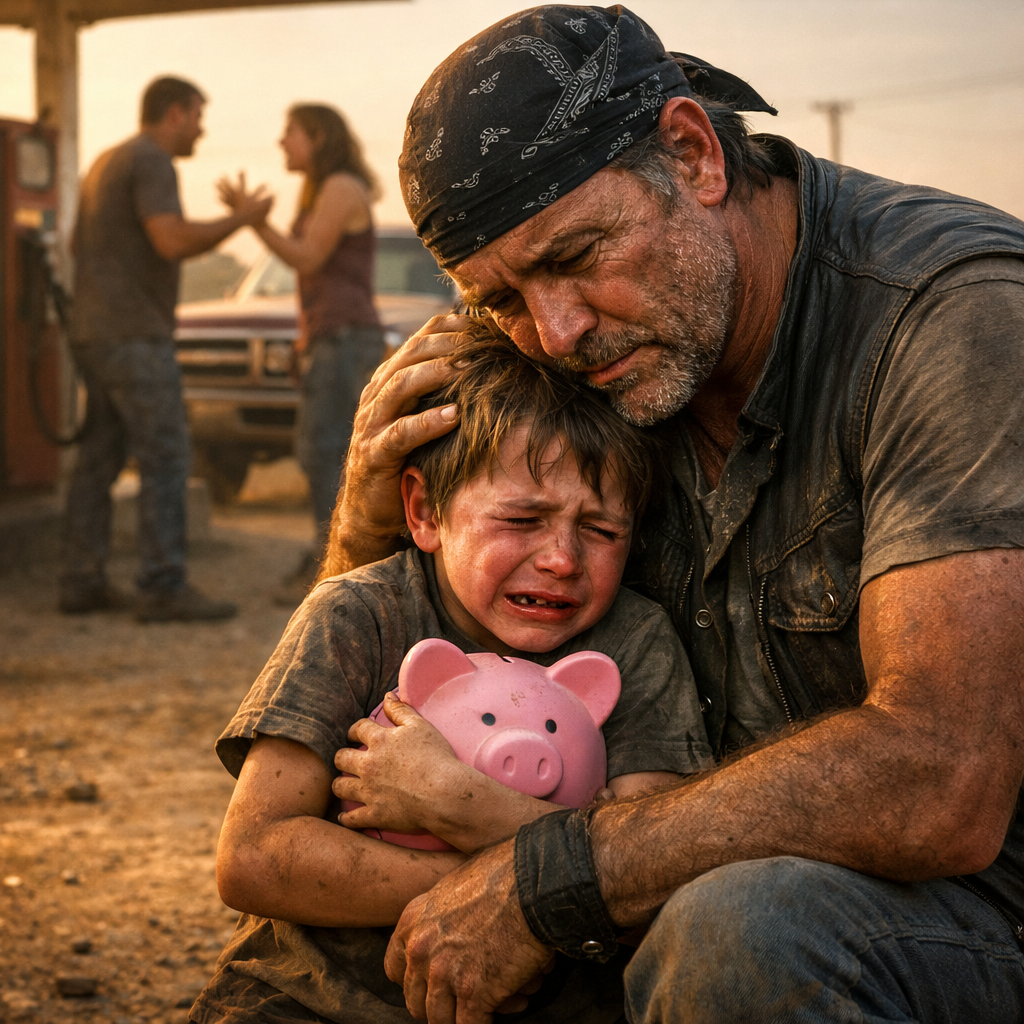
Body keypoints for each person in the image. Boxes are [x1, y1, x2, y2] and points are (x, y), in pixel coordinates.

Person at [320, 6, 1024, 1022]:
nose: (553, 332)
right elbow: (354, 725)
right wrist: (367, 527)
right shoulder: (602, 355)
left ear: (693, 154)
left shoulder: (954, 318)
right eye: (501, 299)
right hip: (693, 871)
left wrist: (555, 877)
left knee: (742, 933)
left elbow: (940, 779)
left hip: (981, 914)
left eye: (575, 255)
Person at [189, 320, 713, 1024]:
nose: (562, 558)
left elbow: (649, 882)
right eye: (522, 519)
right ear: (424, 511)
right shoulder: (359, 615)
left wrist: (458, 802)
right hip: (308, 998)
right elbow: (253, 856)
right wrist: (496, 884)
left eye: (601, 530)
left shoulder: (636, 642)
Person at [61, 75, 272, 622]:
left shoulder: (107, 161)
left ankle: (81, 580)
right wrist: (241, 221)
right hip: (134, 334)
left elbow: (73, 245)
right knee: (167, 454)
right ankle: (162, 585)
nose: (202, 128)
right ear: (175, 113)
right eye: (198, 115)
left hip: (94, 331)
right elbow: (171, 240)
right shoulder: (153, 161)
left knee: (98, 459)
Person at [220, 104, 386, 607]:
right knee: (323, 454)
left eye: (290, 132)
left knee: (326, 455)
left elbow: (308, 257)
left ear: (316, 136)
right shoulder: (325, 188)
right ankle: (330, 560)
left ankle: (332, 569)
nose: (281, 142)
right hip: (332, 340)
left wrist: (253, 222)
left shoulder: (338, 186)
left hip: (344, 340)